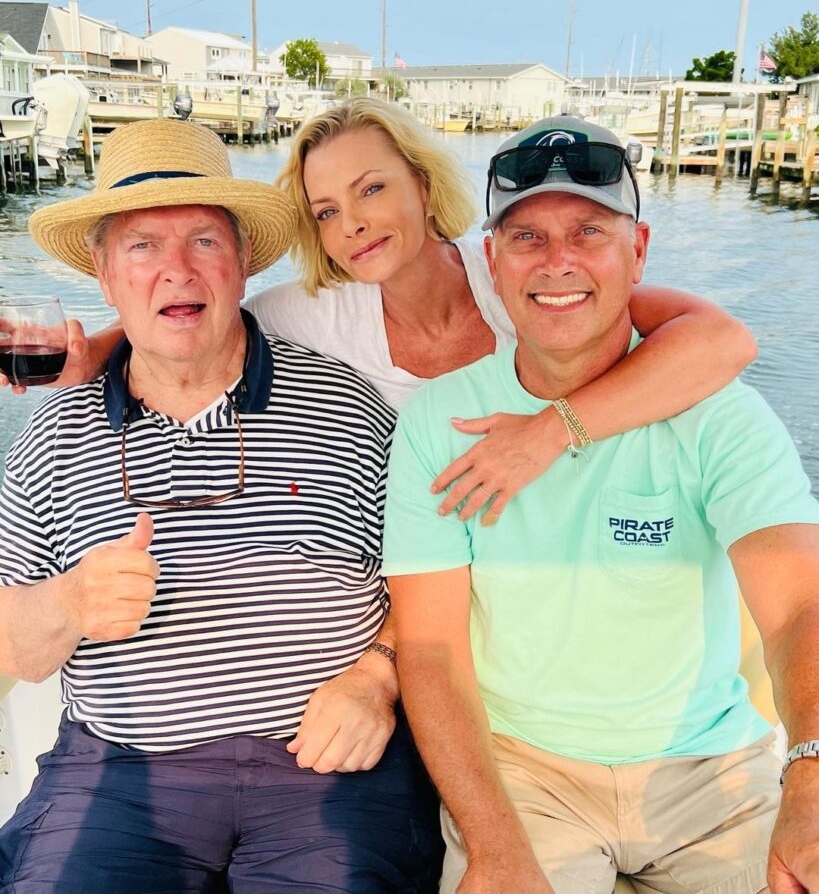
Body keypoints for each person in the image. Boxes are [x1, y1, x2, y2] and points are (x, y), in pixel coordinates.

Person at [0, 119, 443, 894]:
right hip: (122, 776)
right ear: (104, 279)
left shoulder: (347, 404)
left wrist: (377, 674)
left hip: (325, 768)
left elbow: (435, 579)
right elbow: (13, 652)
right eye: (141, 247)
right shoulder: (56, 431)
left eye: (204, 241)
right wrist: (69, 602)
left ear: (241, 267)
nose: (176, 270)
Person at [382, 115, 819, 894]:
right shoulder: (436, 423)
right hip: (525, 774)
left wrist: (811, 774)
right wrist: (494, 843)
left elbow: (795, 609)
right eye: (526, 238)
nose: (558, 262)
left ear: (639, 252)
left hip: (712, 772)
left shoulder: (718, 413)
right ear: (492, 259)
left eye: (588, 230)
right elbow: (432, 650)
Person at [3, 100, 757, 525]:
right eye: (326, 211)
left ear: (423, 186)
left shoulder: (520, 278)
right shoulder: (314, 310)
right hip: (433, 558)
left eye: (371, 191)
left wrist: (549, 433)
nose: (353, 224)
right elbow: (195, 318)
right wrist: (93, 349)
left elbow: (720, 341)